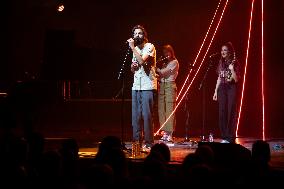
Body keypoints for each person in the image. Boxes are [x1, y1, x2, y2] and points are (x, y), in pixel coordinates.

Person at [127, 25, 157, 148]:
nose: (137, 35)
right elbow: (134, 68)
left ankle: (149, 143)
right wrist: (132, 68)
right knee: (136, 116)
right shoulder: (135, 50)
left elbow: (142, 61)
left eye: (139, 33)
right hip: (136, 86)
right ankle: (136, 141)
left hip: (147, 86)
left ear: (144, 35)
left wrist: (133, 48)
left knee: (147, 115)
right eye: (135, 34)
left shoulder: (150, 46)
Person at [213, 42, 240, 143]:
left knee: (231, 112)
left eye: (225, 50)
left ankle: (230, 136)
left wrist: (232, 70)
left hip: (231, 88)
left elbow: (236, 79)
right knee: (222, 112)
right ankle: (224, 136)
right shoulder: (221, 62)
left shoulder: (234, 62)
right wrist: (215, 91)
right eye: (222, 50)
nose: (223, 52)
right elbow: (219, 77)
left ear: (229, 52)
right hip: (222, 89)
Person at [156, 45, 179, 142]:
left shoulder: (174, 62)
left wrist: (154, 67)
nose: (166, 54)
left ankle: (170, 133)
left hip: (170, 86)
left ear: (171, 52)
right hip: (162, 86)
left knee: (169, 109)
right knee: (161, 109)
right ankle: (164, 132)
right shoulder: (164, 63)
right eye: (164, 53)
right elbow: (159, 75)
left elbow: (162, 73)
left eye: (168, 52)